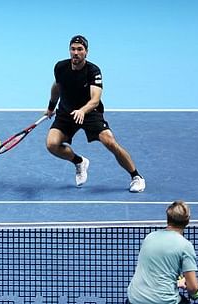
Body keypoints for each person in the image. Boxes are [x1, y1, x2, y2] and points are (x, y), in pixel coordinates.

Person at [45, 35, 145, 192]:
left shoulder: (93, 71)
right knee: (52, 144)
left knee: (110, 141)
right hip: (66, 112)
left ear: (86, 52)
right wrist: (51, 106)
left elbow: (95, 100)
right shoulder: (60, 67)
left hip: (90, 112)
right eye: (73, 49)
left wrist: (83, 110)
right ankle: (79, 161)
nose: (75, 52)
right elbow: (56, 87)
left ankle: (136, 177)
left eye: (80, 49)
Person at [123, 200, 198, 304]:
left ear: (168, 219)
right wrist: (194, 293)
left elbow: (154, 271)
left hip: (134, 302)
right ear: (187, 221)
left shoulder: (149, 237)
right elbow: (193, 287)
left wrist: (176, 282)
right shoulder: (185, 246)